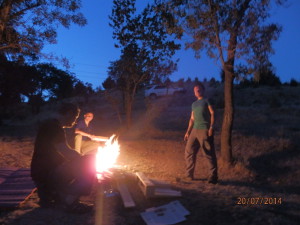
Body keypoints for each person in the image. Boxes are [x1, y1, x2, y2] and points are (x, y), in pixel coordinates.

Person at [31, 103, 96, 213]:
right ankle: (70, 201)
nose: (75, 122)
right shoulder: (54, 127)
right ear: (69, 113)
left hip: (41, 174)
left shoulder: (50, 124)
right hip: (47, 174)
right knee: (89, 162)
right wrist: (84, 159)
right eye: (75, 118)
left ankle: (55, 195)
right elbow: (65, 150)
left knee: (79, 162)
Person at [184, 83, 218, 184]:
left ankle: (213, 176)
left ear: (203, 90)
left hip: (204, 129)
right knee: (188, 151)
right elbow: (192, 118)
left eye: (199, 90)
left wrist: (211, 127)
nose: (197, 92)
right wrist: (187, 132)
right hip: (194, 130)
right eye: (195, 90)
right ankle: (189, 175)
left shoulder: (207, 100)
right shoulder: (194, 104)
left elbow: (213, 113)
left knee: (208, 153)